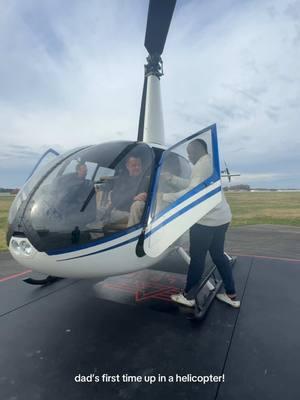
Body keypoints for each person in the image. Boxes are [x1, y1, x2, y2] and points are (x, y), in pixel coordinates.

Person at [169, 139, 240, 309]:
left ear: (198, 150)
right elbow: (193, 184)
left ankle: (188, 296)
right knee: (218, 255)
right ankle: (231, 295)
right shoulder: (208, 163)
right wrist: (172, 178)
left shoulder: (201, 166)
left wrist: (163, 197)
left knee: (197, 258)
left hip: (206, 221)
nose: (188, 156)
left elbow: (190, 192)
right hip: (222, 218)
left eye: (190, 152)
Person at [96, 155, 149, 228]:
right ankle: (96, 237)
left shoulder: (146, 180)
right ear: (127, 166)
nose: (137, 167)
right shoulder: (121, 179)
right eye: (134, 165)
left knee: (137, 205)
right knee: (95, 212)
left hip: (129, 213)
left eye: (139, 165)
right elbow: (115, 199)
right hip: (115, 212)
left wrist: (144, 197)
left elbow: (144, 200)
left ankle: (130, 236)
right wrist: (133, 197)